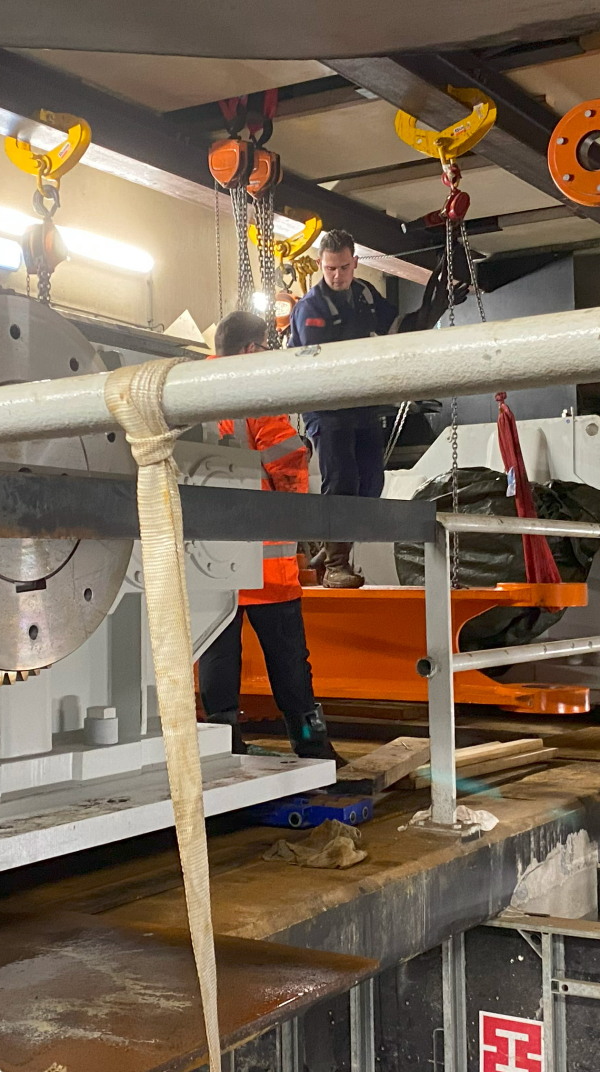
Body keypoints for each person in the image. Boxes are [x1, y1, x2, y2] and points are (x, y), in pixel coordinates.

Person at [196, 311, 340, 762]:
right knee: (290, 665)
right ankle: (310, 743)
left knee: (218, 659)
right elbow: (289, 461)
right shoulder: (254, 394)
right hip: (266, 567)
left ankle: (223, 747)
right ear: (252, 350)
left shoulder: (193, 394)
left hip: (210, 564)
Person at [288, 229, 397, 588]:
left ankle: (326, 550)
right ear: (321, 264)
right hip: (329, 408)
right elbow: (318, 361)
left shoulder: (365, 294)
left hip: (363, 403)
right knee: (342, 480)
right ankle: (336, 565)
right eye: (330, 268)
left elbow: (394, 326)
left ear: (354, 263)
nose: (337, 275)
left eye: (344, 268)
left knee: (371, 482)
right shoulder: (311, 308)